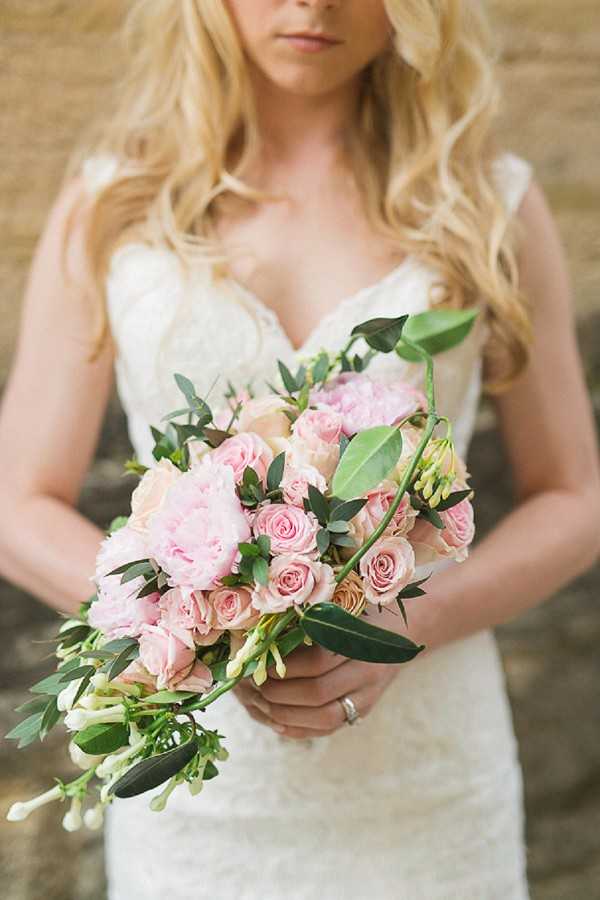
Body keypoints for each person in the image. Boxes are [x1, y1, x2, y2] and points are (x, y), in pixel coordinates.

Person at [1, 1, 599, 898]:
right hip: (206, 815)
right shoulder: (118, 200)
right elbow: (14, 500)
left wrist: (401, 626)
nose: (312, 2)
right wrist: (196, 625)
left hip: (428, 795)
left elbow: (576, 495)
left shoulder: (484, 203)